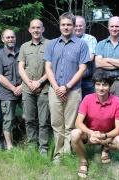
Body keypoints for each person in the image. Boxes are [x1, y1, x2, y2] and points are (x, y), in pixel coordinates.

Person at [44, 12, 89, 163]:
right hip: (54, 90)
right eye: (63, 24)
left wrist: (67, 87)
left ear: (74, 26)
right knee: (57, 124)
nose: (66, 27)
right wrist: (57, 87)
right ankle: (57, 155)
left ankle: (66, 154)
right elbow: (48, 67)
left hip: (73, 91)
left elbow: (82, 68)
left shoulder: (81, 44)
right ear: (59, 25)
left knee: (70, 125)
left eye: (69, 24)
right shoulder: (52, 44)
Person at [71, 68, 119, 178]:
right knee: (74, 134)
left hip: (107, 136)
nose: (101, 88)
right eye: (98, 84)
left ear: (110, 86)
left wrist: (104, 136)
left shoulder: (118, 102)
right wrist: (91, 133)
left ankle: (105, 149)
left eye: (104, 85)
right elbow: (78, 123)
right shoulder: (87, 99)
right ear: (94, 85)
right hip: (89, 135)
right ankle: (83, 161)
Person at [18, 19, 51, 155]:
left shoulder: (50, 44)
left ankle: (43, 146)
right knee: (29, 119)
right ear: (29, 30)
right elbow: (20, 67)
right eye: (33, 28)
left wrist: (39, 82)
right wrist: (30, 83)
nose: (36, 30)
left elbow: (52, 67)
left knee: (44, 120)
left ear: (43, 29)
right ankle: (32, 144)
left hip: (44, 89)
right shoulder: (24, 47)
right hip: (27, 89)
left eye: (39, 27)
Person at [0, 29, 22, 150]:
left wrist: (21, 87)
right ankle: (9, 145)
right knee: (8, 120)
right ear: (2, 39)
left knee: (29, 116)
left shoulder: (21, 52)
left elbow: (28, 71)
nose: (10, 39)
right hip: (7, 93)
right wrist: (13, 88)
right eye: (8, 37)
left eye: (12, 37)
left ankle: (27, 140)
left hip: (23, 90)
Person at [95, 16, 119, 104]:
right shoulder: (101, 44)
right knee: (103, 107)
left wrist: (107, 59)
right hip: (103, 82)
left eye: (117, 26)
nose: (114, 29)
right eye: (112, 26)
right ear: (108, 27)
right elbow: (98, 63)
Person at [75, 15, 97, 98]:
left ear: (84, 27)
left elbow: (91, 57)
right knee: (73, 107)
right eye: (76, 26)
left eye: (80, 26)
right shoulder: (67, 39)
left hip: (86, 80)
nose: (78, 28)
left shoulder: (90, 39)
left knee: (88, 104)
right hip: (70, 79)